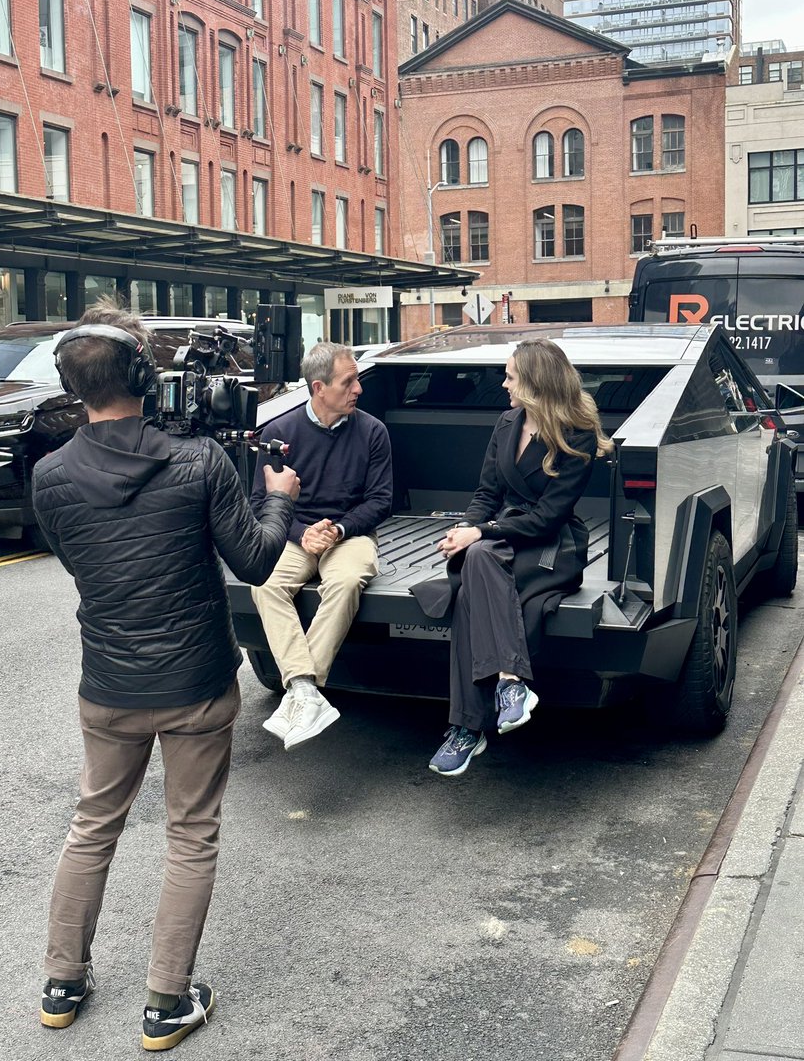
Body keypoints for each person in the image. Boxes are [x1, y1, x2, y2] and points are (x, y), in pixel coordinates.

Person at [32, 299, 299, 1051]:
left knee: (91, 829)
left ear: (73, 385)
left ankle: (62, 984)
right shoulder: (199, 461)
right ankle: (165, 1003)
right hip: (196, 687)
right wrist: (276, 502)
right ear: (146, 375)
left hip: (109, 687)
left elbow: (83, 564)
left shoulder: (50, 477)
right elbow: (254, 560)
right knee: (191, 835)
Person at [426, 338, 613, 776]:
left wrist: (481, 533)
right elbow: (487, 493)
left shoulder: (578, 433)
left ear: (534, 383)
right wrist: (464, 530)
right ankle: (510, 686)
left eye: (510, 376)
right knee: (477, 560)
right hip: (501, 542)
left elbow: (548, 518)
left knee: (477, 568)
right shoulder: (507, 421)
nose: (503, 383)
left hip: (551, 546)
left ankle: (467, 730)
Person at [249, 342, 393, 750]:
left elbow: (381, 500)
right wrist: (301, 533)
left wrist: (340, 530)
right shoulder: (279, 432)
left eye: (357, 381)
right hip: (298, 533)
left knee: (346, 581)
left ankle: (302, 688)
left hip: (349, 535)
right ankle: (305, 687)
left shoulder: (372, 431)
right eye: (348, 382)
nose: (358, 390)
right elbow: (262, 502)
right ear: (319, 387)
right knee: (266, 584)